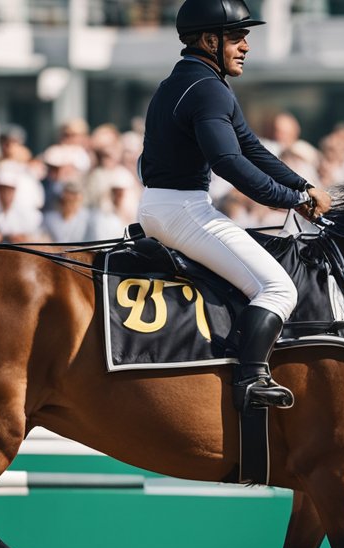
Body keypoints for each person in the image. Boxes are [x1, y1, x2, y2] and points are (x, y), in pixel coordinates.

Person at [137, 0, 331, 410]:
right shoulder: (207, 87)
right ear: (210, 40)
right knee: (279, 288)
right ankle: (251, 379)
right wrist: (293, 200)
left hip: (164, 205)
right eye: (237, 37)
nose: (245, 46)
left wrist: (303, 185)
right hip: (183, 210)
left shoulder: (190, 80)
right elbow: (229, 163)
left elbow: (252, 148)